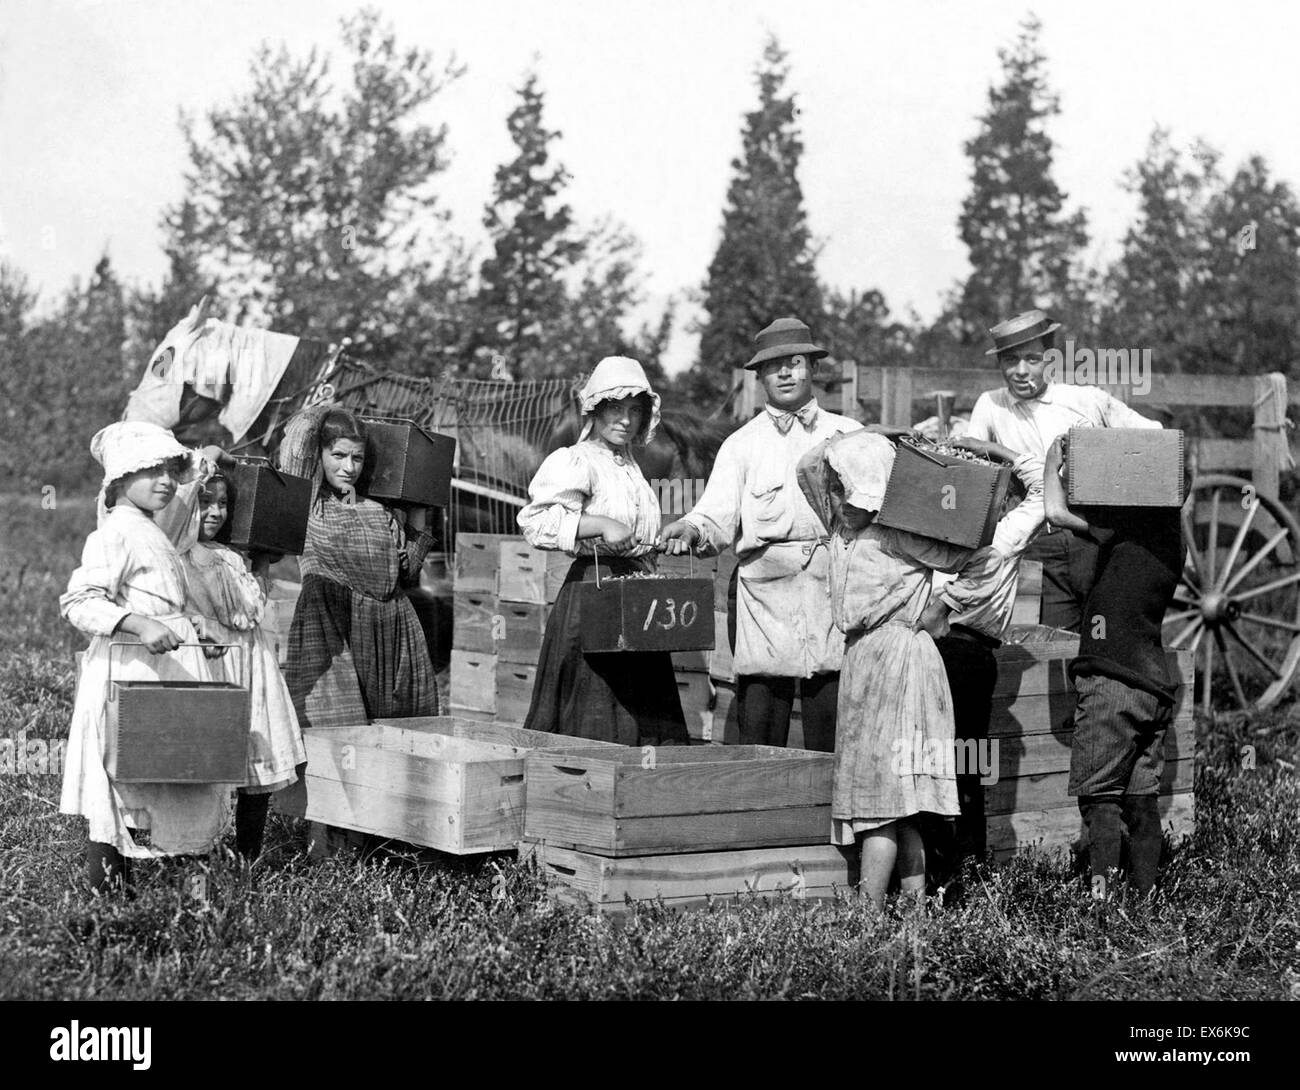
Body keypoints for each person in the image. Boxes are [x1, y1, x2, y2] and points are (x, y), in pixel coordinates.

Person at [661, 317, 862, 752]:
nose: (786, 373)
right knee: (759, 720)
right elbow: (715, 516)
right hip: (763, 597)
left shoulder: (848, 436)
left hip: (831, 592)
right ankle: (760, 811)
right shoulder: (741, 445)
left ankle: (828, 814)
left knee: (831, 714)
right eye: (775, 367)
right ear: (760, 378)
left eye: (794, 362)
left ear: (812, 368)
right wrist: (691, 528)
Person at [797, 430, 972, 908]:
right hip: (864, 662)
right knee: (897, 804)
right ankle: (916, 913)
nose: (839, 497)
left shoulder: (900, 532)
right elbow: (810, 466)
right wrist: (868, 438)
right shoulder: (840, 528)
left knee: (881, 804)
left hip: (900, 663)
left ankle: (866, 913)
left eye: (849, 488)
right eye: (836, 488)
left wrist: (945, 603)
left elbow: (974, 551)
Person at [60, 421, 231, 892]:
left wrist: (195, 624)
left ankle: (179, 885)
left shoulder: (154, 532)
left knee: (176, 773)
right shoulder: (115, 532)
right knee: (126, 779)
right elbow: (80, 600)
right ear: (120, 477)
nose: (166, 481)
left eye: (171, 471)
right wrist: (137, 623)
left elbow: (164, 601)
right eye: (151, 471)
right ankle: (109, 892)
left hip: (170, 667)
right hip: (132, 670)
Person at [518, 356, 689, 747]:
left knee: (639, 711)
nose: (625, 420)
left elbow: (636, 528)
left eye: (634, 411)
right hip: (593, 596)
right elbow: (535, 523)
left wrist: (663, 539)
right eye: (615, 408)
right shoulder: (575, 460)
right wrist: (600, 525)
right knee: (593, 713)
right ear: (594, 409)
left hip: (635, 600)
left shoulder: (632, 469)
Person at [1043, 434, 1186, 901]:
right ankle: (1145, 905)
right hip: (1154, 685)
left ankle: (1102, 904)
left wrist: (1053, 463)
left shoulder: (1130, 524)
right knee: (1140, 799)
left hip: (1113, 680)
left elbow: (1056, 512)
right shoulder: (1171, 537)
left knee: (1100, 798)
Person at [964, 309, 1162, 632]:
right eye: (1010, 361)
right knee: (1054, 645)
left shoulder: (1085, 400)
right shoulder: (991, 405)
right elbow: (972, 466)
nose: (1021, 371)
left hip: (1093, 538)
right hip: (1035, 546)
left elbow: (1152, 434)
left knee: (1109, 633)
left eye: (1033, 359)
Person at [914, 438, 1046, 883]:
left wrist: (967, 446)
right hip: (956, 653)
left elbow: (1041, 488)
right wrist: (985, 448)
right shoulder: (997, 536)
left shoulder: (938, 533)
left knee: (939, 761)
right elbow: (1042, 487)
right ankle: (955, 871)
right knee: (959, 762)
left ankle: (945, 871)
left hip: (946, 650)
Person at [277, 405, 438, 732]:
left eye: (358, 458)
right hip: (332, 628)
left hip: (392, 631)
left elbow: (408, 574)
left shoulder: (381, 511)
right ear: (318, 454)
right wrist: (332, 412)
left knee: (398, 737)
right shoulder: (308, 502)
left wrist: (419, 506)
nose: (348, 467)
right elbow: (296, 441)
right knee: (335, 733)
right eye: (337, 455)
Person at [173, 466, 307, 861]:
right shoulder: (198, 557)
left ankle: (241, 855)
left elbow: (246, 612)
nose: (214, 512)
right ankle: (211, 852)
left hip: (234, 661)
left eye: (223, 504)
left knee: (249, 760)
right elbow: (246, 613)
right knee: (227, 759)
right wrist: (262, 567)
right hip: (222, 660)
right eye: (204, 503)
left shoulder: (215, 556)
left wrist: (257, 564)